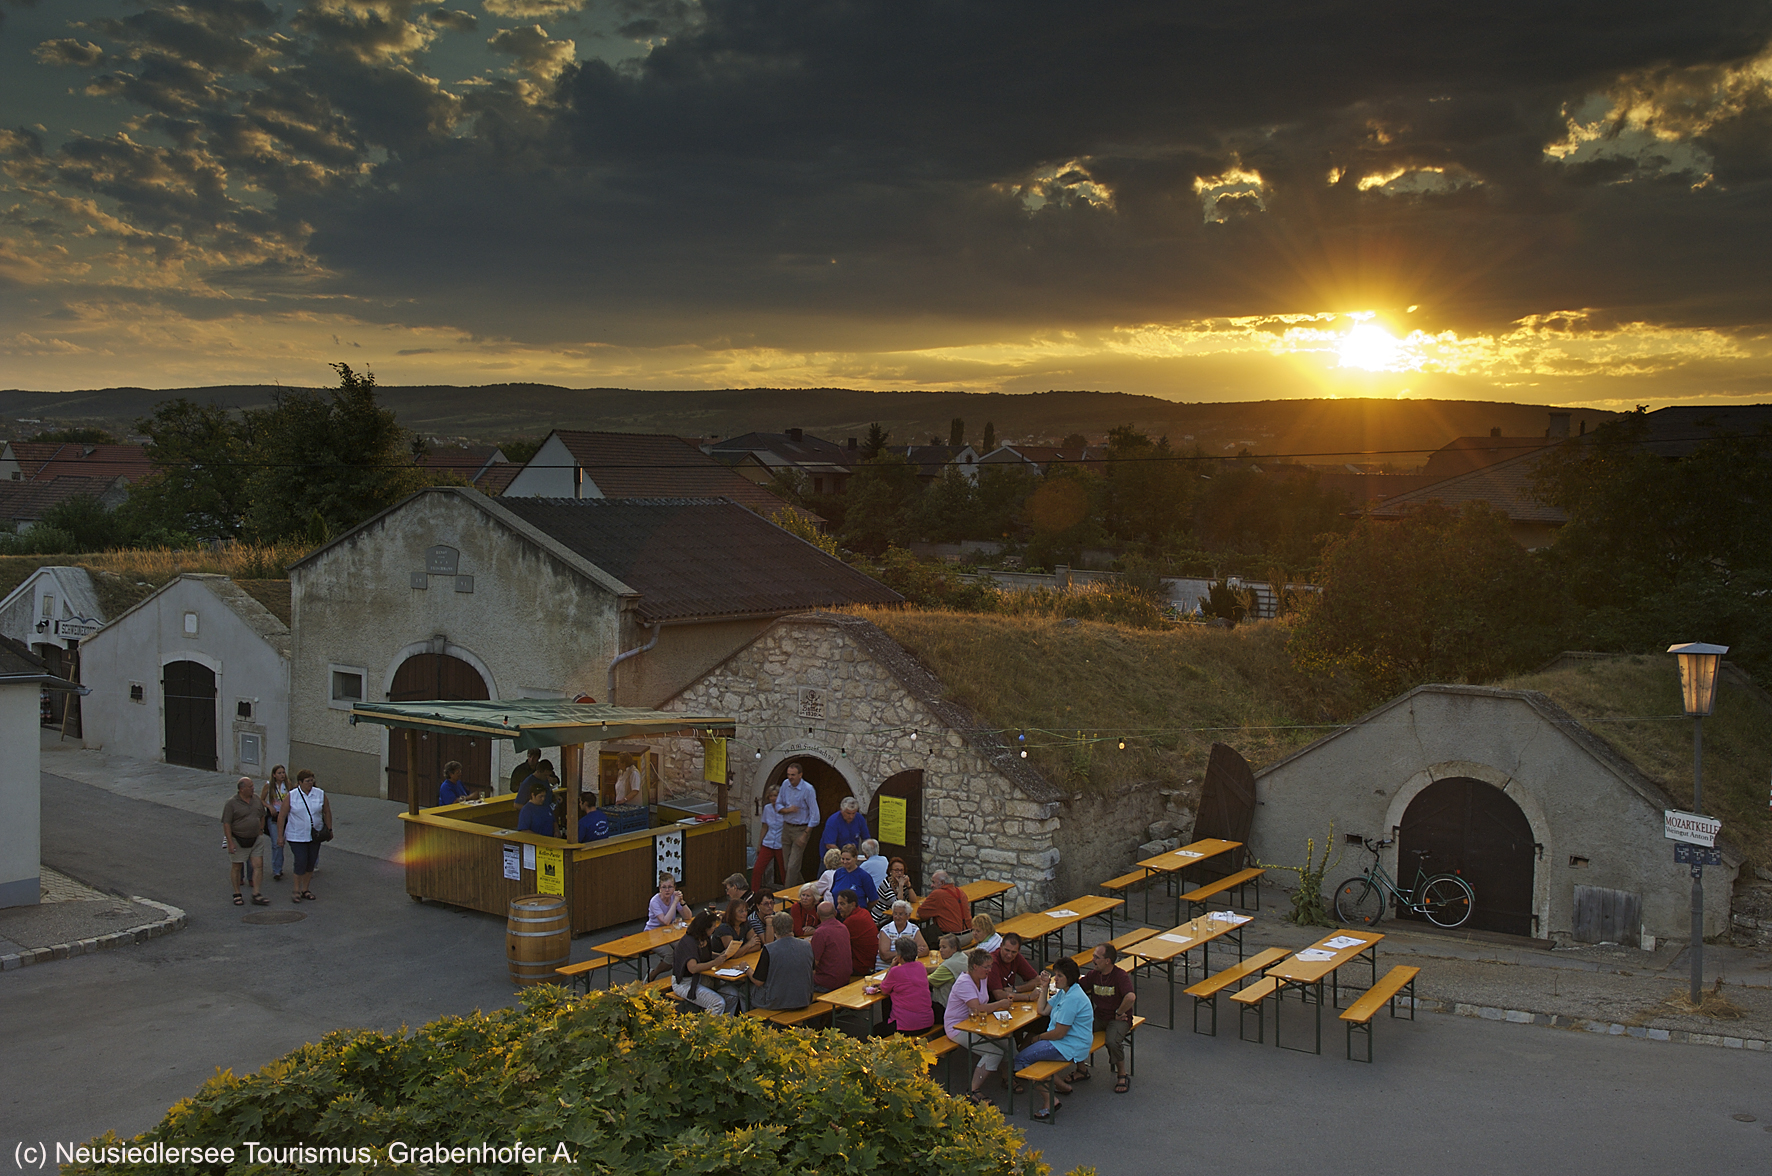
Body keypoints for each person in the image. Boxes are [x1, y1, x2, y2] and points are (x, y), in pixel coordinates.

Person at [1012, 958, 1094, 1121]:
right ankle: (1062, 1086)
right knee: (1032, 1056)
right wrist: (1043, 987)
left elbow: (1059, 1033)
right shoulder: (1065, 992)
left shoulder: (1072, 999)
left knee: (1020, 1060)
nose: (1055, 979)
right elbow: (1042, 1010)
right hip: (1066, 1042)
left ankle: (1051, 1101)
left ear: (1069, 978)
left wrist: (1038, 1037)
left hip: (1070, 1046)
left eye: (1059, 976)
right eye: (1055, 975)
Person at [945, 949, 1014, 1103]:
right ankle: (973, 1090)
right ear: (975, 966)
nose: (990, 970)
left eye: (990, 966)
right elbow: (977, 1008)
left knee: (1007, 1041)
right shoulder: (964, 982)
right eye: (986, 967)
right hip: (957, 1027)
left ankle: (1007, 1077)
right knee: (994, 1052)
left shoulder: (982, 978)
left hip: (976, 1023)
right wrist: (1000, 1004)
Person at [1078, 942, 1137, 1092]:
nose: (1093, 960)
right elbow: (1078, 986)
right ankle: (1081, 1069)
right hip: (1099, 1017)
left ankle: (1122, 1074)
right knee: (1076, 1031)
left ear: (1107, 961)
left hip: (1118, 1019)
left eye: (1097, 957)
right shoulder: (1094, 975)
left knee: (1112, 1041)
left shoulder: (1119, 976)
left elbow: (1130, 997)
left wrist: (1119, 1012)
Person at [278, 768, 331, 903]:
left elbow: (327, 811)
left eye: (312, 781)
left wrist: (329, 829)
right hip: (296, 835)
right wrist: (280, 836)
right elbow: (282, 816)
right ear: (300, 782)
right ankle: (296, 889)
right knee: (301, 860)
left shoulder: (320, 794)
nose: (310, 784)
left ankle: (305, 889)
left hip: (315, 835)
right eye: (307, 781)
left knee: (311, 862)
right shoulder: (292, 795)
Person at [671, 909, 739, 1014]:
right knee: (718, 1003)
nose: (715, 928)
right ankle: (708, 1028)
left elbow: (706, 953)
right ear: (704, 928)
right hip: (685, 983)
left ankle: (724, 1025)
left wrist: (721, 955)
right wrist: (714, 962)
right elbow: (693, 968)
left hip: (702, 978)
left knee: (733, 995)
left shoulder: (704, 938)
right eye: (713, 926)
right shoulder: (688, 943)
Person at [867, 937, 934, 1035]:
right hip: (927, 1022)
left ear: (899, 956)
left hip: (906, 1025)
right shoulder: (920, 966)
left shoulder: (895, 971)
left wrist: (892, 966)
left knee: (876, 1030)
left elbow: (884, 990)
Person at [751, 912, 816, 1011]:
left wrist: (746, 969)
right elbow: (813, 972)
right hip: (803, 998)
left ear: (774, 928)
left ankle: (748, 1022)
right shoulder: (807, 946)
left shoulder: (769, 949)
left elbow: (758, 981)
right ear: (792, 926)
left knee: (745, 991)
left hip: (775, 1002)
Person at [222, 777, 268, 906]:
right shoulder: (231, 803)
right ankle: (237, 893)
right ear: (242, 789)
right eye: (250, 786)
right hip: (238, 839)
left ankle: (256, 893)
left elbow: (262, 815)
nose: (253, 788)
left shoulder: (256, 799)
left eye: (253, 786)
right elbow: (226, 823)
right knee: (237, 866)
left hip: (256, 839)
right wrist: (230, 842)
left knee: (258, 865)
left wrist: (260, 830)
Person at [772, 762, 820, 886]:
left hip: (801, 829)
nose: (790, 777)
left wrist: (805, 834)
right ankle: (806, 890)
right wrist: (788, 810)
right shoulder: (785, 785)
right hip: (787, 827)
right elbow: (778, 805)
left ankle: (787, 897)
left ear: (800, 775)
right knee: (788, 866)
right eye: (789, 775)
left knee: (793, 866)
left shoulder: (808, 789)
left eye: (793, 775)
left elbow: (815, 815)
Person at [751, 782, 787, 894]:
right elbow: (765, 827)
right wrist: (759, 844)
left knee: (784, 871)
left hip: (781, 844)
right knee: (757, 869)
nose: (773, 798)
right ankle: (754, 893)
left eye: (775, 795)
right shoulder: (767, 808)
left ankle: (788, 894)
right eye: (771, 796)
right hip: (768, 842)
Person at [919, 870, 972, 945]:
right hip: (969, 935)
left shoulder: (938, 894)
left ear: (942, 883)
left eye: (934, 882)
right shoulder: (960, 891)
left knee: (917, 935)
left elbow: (920, 914)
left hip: (953, 939)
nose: (931, 886)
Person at [809, 900, 850, 992]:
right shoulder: (843, 928)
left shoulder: (820, 932)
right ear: (835, 913)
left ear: (817, 915)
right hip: (844, 979)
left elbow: (813, 962)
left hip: (827, 983)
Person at [836, 890, 877, 978]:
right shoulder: (864, 912)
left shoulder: (852, 921)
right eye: (838, 903)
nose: (838, 907)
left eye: (842, 904)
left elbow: (835, 943)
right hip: (870, 963)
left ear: (853, 904)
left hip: (861, 967)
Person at [988, 933, 1040, 1002]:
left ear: (1018, 951)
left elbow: (1037, 980)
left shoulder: (1017, 957)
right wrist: (1028, 997)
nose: (1009, 955)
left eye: (1013, 952)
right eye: (1007, 950)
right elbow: (999, 995)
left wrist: (1015, 989)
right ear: (1001, 946)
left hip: (1007, 1002)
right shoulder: (992, 961)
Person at [259, 764, 289, 882]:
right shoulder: (269, 785)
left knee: (288, 842)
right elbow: (261, 799)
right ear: (274, 775)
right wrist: (269, 806)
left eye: (283, 772)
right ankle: (277, 869)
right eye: (279, 773)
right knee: (277, 842)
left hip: (286, 816)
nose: (282, 775)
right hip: (274, 816)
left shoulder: (288, 785)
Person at [876, 901, 929, 966]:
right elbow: (885, 956)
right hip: (885, 968)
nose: (897, 917)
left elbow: (925, 950)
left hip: (906, 967)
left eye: (901, 914)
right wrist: (909, 953)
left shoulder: (914, 928)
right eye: (895, 914)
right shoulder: (885, 930)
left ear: (908, 915)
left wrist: (897, 955)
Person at [927, 933, 964, 1009]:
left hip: (946, 1006)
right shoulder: (962, 956)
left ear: (954, 948)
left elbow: (927, 981)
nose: (941, 950)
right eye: (940, 947)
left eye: (944, 947)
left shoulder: (947, 966)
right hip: (963, 1002)